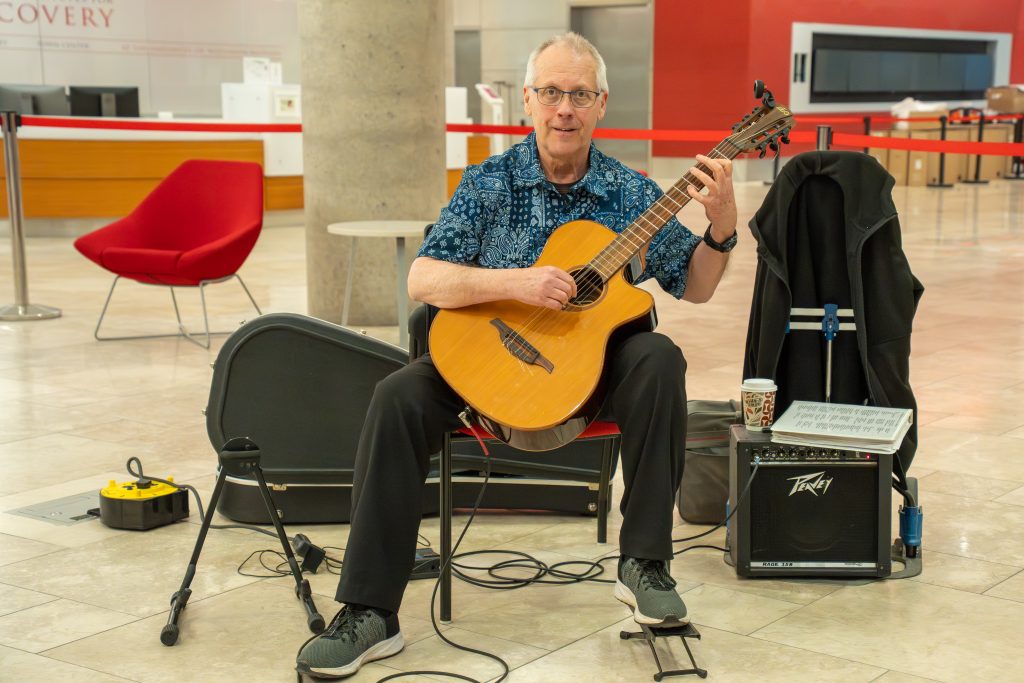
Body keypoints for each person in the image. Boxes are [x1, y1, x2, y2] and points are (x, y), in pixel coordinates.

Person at [296, 32, 737, 680]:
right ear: (528, 99)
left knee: (659, 357)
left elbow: (694, 284)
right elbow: (423, 278)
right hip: (484, 368)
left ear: (601, 103)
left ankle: (644, 564)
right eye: (552, 92)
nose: (565, 108)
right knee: (397, 395)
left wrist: (721, 226)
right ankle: (370, 611)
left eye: (579, 94)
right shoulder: (489, 183)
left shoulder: (632, 193)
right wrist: (516, 282)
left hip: (587, 378)